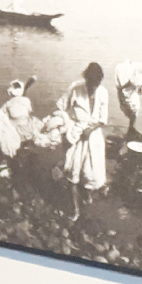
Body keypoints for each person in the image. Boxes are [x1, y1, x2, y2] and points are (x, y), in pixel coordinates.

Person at [57, 63, 109, 221]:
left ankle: (87, 196)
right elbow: (61, 107)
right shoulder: (75, 88)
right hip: (76, 134)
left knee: (91, 172)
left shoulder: (103, 93)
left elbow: (102, 120)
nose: (93, 87)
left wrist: (90, 130)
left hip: (93, 137)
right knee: (72, 174)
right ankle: (75, 210)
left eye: (96, 84)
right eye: (91, 83)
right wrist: (65, 125)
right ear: (86, 79)